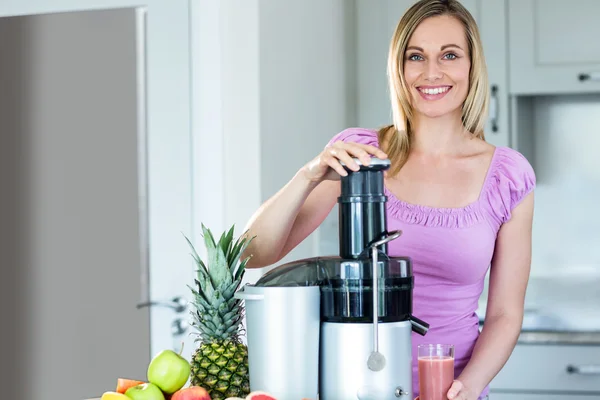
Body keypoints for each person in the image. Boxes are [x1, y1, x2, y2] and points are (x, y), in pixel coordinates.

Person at [241, 0, 535, 399]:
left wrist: (466, 388)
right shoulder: (361, 154)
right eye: (416, 56)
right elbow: (253, 254)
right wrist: (307, 176)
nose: (432, 72)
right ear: (399, 67)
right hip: (354, 386)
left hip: (449, 391)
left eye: (449, 55)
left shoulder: (507, 176)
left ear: (471, 66)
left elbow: (504, 314)